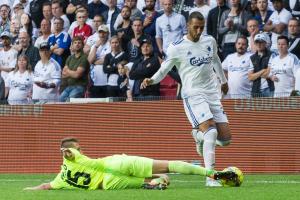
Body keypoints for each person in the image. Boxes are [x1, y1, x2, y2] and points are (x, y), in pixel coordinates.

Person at [141, 12, 231, 187]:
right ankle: (211, 177)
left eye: (201, 27)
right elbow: (164, 69)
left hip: (212, 93)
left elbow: (216, 60)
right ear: (188, 26)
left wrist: (223, 80)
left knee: (225, 140)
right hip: (192, 93)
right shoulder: (177, 47)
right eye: (195, 27)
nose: (198, 31)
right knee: (211, 132)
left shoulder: (209, 41)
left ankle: (198, 136)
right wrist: (151, 79)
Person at [23, 137, 237, 190]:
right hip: (116, 163)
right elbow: (70, 153)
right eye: (79, 148)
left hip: (109, 184)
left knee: (155, 181)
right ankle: (212, 174)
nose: (81, 150)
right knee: (169, 164)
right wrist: (69, 151)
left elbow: (45, 186)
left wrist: (29, 189)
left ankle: (156, 183)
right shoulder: (73, 155)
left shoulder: (61, 179)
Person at [59, 36, 89, 102]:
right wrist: (73, 73)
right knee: (60, 99)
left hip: (80, 86)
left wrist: (68, 72)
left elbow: (77, 75)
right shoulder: (69, 58)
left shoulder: (84, 58)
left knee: (70, 100)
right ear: (72, 45)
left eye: (79, 43)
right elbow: (63, 74)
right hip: (69, 86)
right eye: (75, 43)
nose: (77, 44)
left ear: (82, 45)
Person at [248, 33, 274, 97]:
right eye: (257, 42)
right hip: (256, 90)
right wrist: (263, 70)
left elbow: (268, 73)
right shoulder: (252, 58)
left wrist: (256, 74)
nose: (259, 44)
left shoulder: (272, 55)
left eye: (261, 42)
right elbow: (250, 77)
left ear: (265, 43)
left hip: (269, 89)